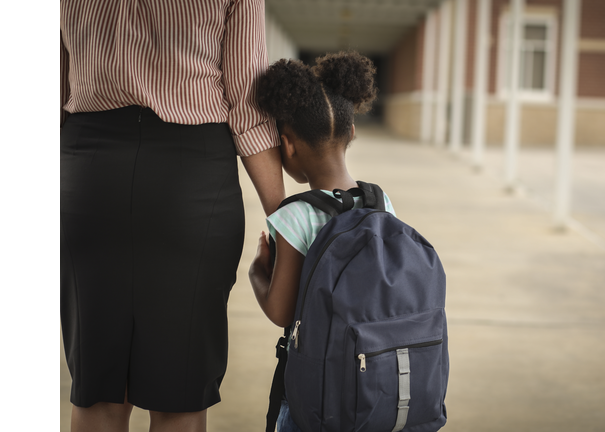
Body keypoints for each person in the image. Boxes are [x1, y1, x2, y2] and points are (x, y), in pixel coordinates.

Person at [60, 1, 284, 431]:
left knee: (98, 388)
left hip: (90, 174)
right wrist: (284, 224)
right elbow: (247, 105)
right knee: (178, 394)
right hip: (191, 177)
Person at [247, 51, 393, 432]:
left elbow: (280, 311)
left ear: (288, 145)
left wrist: (257, 271)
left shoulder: (295, 216)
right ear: (353, 133)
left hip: (318, 396)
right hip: (376, 383)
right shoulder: (381, 202)